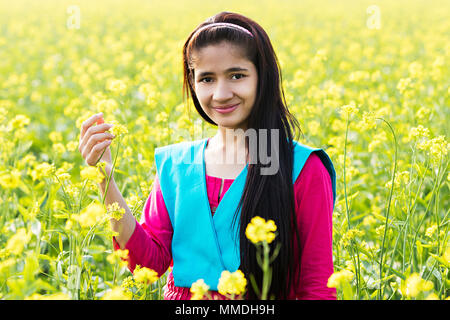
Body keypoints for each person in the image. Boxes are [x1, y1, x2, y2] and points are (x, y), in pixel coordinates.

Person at [78, 11, 337, 300]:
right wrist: (104, 177)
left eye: (236, 75)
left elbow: (317, 287)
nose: (221, 93)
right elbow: (145, 264)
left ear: (262, 78)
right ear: (193, 83)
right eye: (207, 79)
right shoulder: (177, 166)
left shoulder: (302, 169)